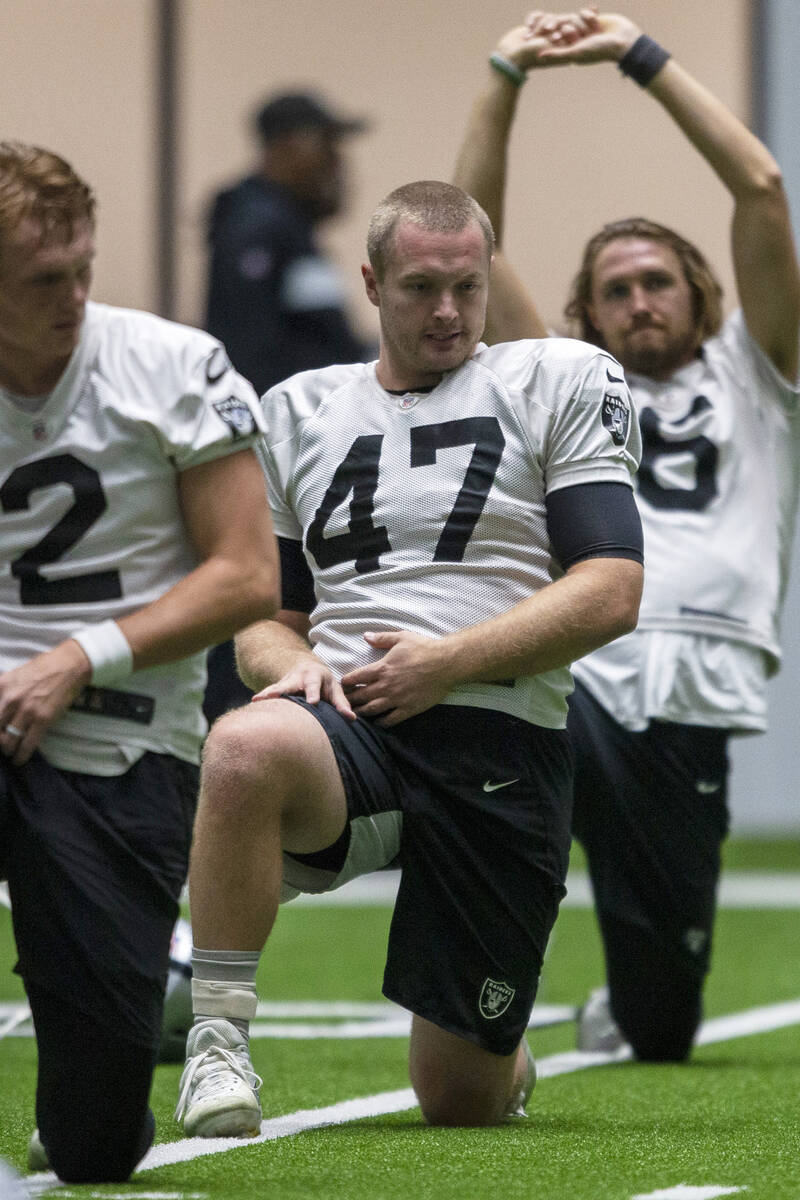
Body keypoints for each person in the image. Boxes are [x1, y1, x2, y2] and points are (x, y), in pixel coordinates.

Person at [174, 178, 644, 1137]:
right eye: (421, 287)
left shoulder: (554, 376)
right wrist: (279, 667)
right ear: (371, 281)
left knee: (458, 1102)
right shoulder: (300, 408)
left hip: (502, 743)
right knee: (243, 747)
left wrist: (450, 662)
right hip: (351, 718)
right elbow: (266, 614)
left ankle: (498, 1048)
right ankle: (216, 1045)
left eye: (467, 288)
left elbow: (611, 587)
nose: (447, 311)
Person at [453, 8, 800, 1061]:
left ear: (700, 294)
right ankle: (471, 997)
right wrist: (506, 73)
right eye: (615, 291)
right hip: (584, 664)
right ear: (588, 317)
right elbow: (470, 235)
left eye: (656, 281)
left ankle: (629, 995)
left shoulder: (759, 373)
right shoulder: (571, 378)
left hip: (695, 686)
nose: (638, 301)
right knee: (508, 802)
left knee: (661, 1029)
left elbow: (760, 189)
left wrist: (636, 57)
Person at [0, 141, 280, 1182]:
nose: (75, 294)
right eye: (42, 279)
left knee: (94, 1145)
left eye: (83, 266)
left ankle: (97, 1083)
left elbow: (247, 575)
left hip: (118, 745)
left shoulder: (167, 365)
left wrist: (78, 656)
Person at [202, 89, 373, 723]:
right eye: (326, 146)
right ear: (285, 148)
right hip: (273, 464)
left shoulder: (290, 232)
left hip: (307, 461)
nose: (338, 164)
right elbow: (245, 360)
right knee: (259, 604)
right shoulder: (257, 227)